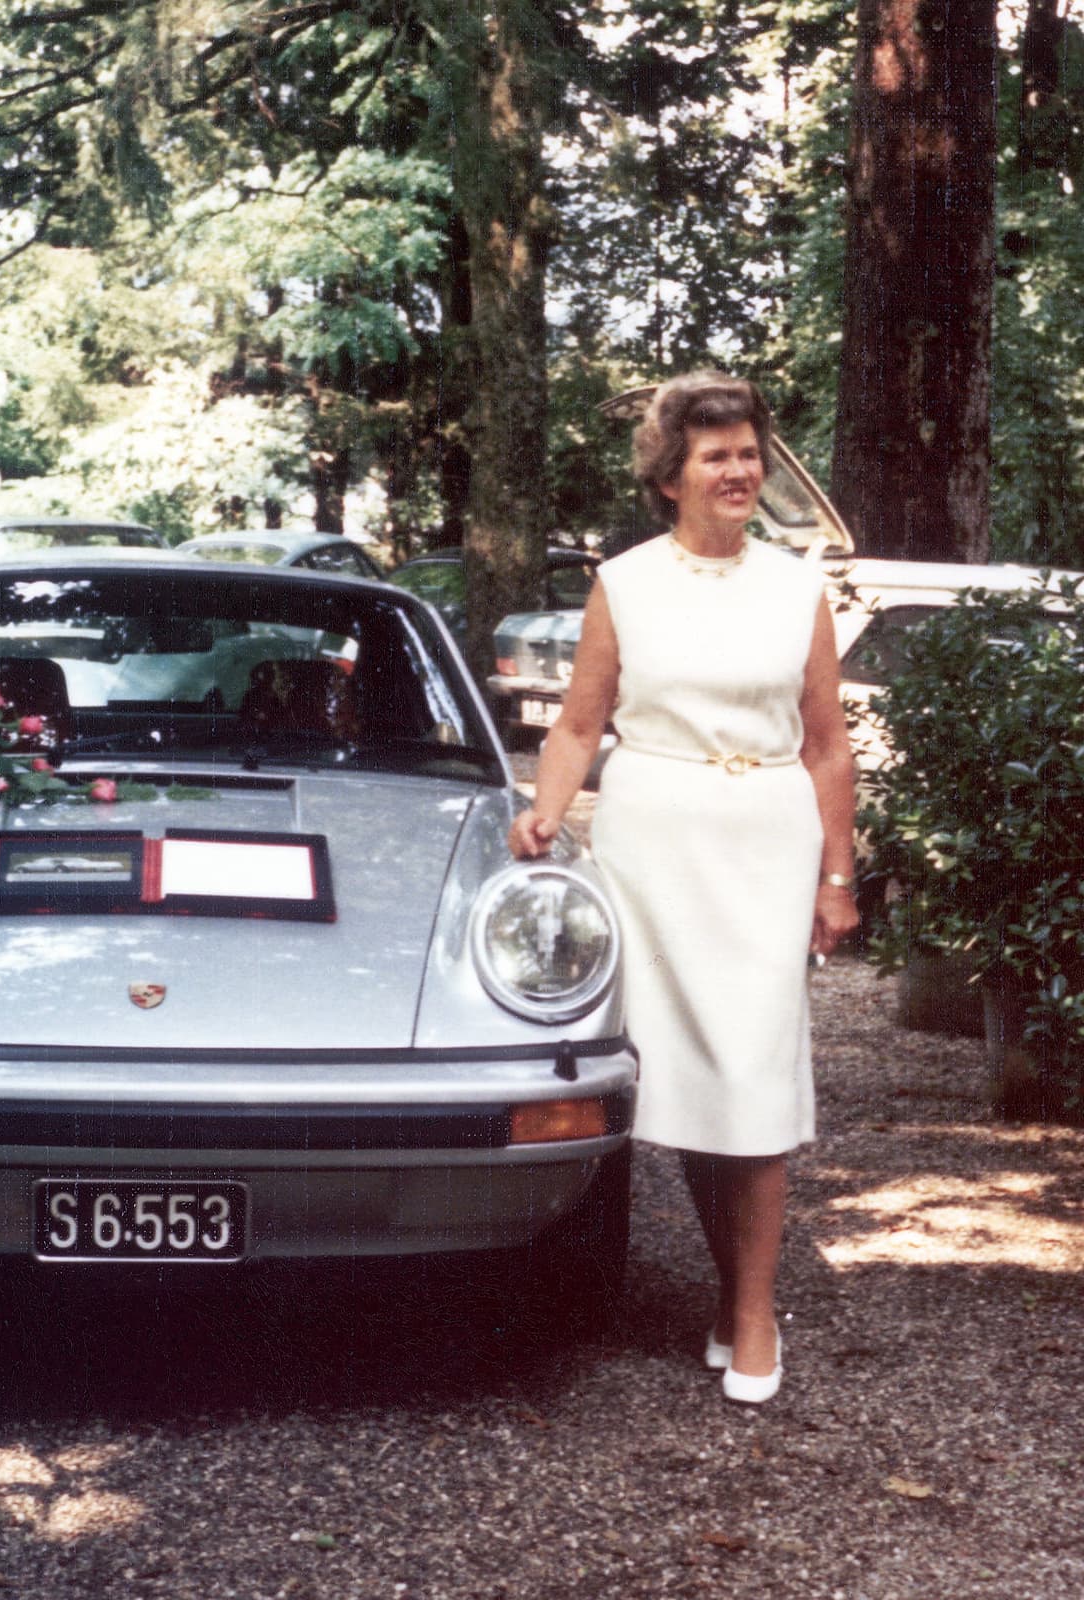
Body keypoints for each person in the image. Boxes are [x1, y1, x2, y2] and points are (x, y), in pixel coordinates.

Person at [508, 372, 858, 1404]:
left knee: (752, 1071)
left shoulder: (798, 587)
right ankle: (727, 1287)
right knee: (694, 1079)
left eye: (748, 452)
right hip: (651, 847)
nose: (738, 469)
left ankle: (752, 1313)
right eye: (715, 455)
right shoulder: (623, 581)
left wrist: (837, 875)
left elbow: (830, 746)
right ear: (671, 477)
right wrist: (542, 809)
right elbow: (579, 722)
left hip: (764, 842)